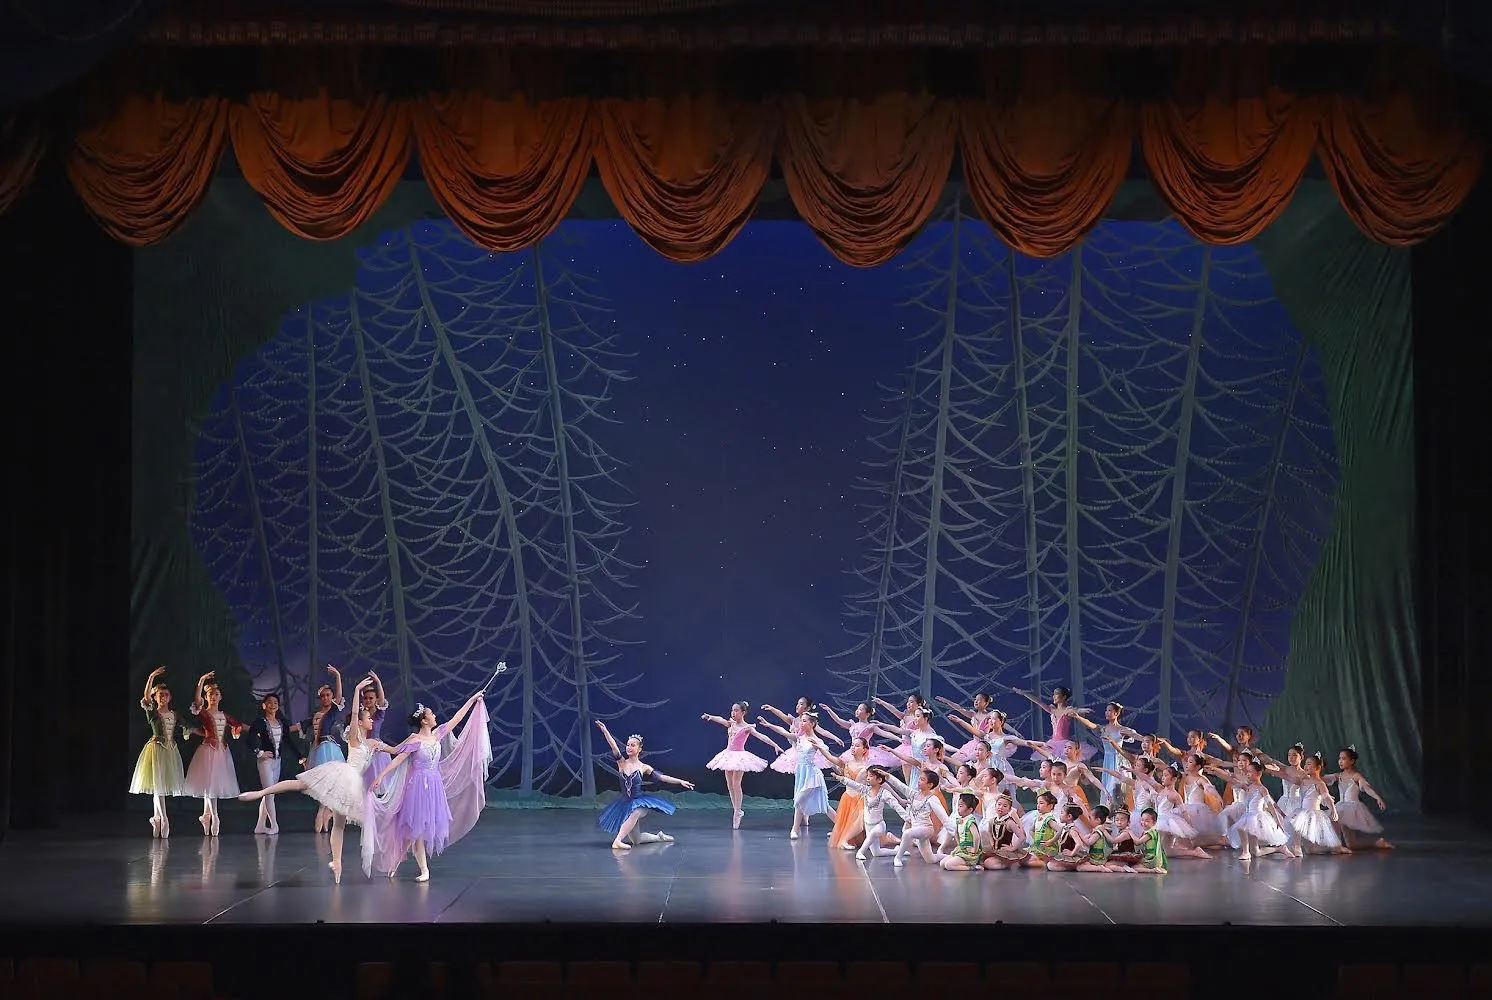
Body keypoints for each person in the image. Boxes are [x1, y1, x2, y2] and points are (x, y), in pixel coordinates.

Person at [364, 690, 491, 881]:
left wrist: (473, 699)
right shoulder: (415, 741)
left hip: (433, 787)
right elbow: (398, 759)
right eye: (431, 714)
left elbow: (457, 718)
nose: (434, 716)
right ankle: (423, 869)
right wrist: (380, 776)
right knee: (415, 830)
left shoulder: (438, 735)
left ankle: (399, 860)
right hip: (417, 788)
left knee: (420, 829)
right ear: (424, 721)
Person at [594, 721, 695, 850]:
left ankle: (617, 841)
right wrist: (605, 731)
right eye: (628, 745)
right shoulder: (622, 763)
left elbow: (662, 777)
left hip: (639, 802)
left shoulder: (643, 767)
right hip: (625, 803)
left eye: (633, 745)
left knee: (636, 812)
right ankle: (659, 837)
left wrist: (680, 781)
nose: (629, 747)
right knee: (637, 840)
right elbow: (613, 746)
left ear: (639, 749)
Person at [700, 702, 783, 829]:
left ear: (743, 713)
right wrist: (711, 717)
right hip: (728, 755)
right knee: (729, 784)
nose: (733, 713)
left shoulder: (747, 728)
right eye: (732, 710)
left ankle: (737, 811)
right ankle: (736, 810)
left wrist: (775, 745)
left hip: (740, 757)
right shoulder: (731, 723)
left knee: (736, 783)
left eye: (736, 711)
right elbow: (721, 720)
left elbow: (762, 736)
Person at [130, 666, 186, 838]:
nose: (163, 697)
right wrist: (152, 676)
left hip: (170, 751)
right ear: (155, 697)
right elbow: (146, 697)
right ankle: (164, 818)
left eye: (166, 694)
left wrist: (199, 732)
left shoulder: (175, 714)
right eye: (160, 695)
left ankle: (156, 819)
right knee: (158, 787)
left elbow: (187, 726)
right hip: (155, 750)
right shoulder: (153, 713)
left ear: (170, 697)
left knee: (159, 787)